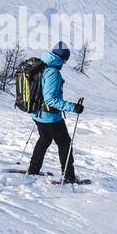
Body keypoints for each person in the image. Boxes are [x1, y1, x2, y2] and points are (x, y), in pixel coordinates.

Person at [28, 41, 84, 184]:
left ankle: (33, 170)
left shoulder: (41, 65)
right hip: (50, 117)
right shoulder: (52, 72)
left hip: (37, 114)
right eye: (66, 59)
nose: (66, 62)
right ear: (63, 58)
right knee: (65, 144)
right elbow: (50, 99)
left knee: (45, 139)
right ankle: (69, 177)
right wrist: (72, 107)